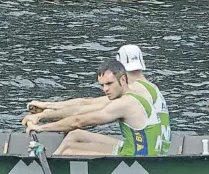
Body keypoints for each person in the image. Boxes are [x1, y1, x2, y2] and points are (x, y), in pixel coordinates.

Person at [24, 44, 171, 155]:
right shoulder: (145, 88)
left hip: (142, 157)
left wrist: (41, 124)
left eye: (109, 83)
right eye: (103, 85)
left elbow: (81, 116)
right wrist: (47, 108)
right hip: (149, 148)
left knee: (69, 150)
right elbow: (86, 104)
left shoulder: (131, 97)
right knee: (75, 134)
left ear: (121, 75)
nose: (105, 89)